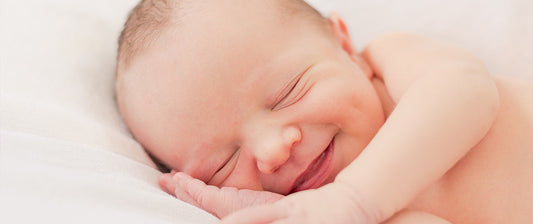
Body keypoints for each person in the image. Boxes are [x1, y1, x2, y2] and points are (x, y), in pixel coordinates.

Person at [114, 0, 533, 223]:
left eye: (287, 93)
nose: (272, 151)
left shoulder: (391, 65)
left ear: (345, 47)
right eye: (223, 164)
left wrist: (354, 200)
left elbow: (466, 91)